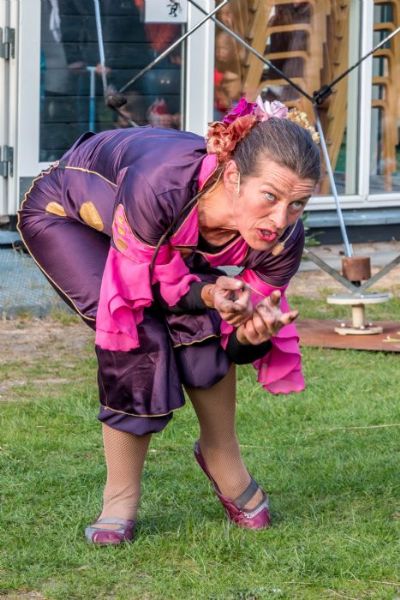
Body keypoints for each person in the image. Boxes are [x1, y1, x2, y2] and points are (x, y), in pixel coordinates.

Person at [17, 96, 320, 545]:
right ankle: (120, 495)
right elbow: (135, 289)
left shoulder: (282, 238)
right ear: (233, 177)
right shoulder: (161, 186)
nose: (281, 219)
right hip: (67, 216)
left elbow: (235, 340)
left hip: (157, 241)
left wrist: (252, 333)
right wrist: (208, 293)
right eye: (271, 197)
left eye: (298, 204)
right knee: (138, 332)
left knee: (205, 320)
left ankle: (221, 456)